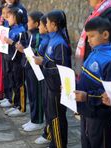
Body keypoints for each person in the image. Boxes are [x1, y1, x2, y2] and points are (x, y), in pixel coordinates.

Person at [75, 17, 111, 148]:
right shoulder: (92, 53)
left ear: (105, 35)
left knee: (99, 143)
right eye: (87, 36)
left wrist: (87, 97)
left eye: (92, 36)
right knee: (86, 141)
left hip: (100, 115)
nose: (88, 40)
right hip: (86, 111)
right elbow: (85, 79)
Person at [34, 10, 72, 148]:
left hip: (57, 88)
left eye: (48, 22)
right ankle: (54, 143)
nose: (45, 24)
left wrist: (43, 62)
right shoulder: (52, 39)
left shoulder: (59, 43)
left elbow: (62, 69)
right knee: (51, 116)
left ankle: (59, 144)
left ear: (54, 25)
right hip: (50, 85)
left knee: (57, 118)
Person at [15, 11, 45, 132]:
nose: (27, 23)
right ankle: (33, 118)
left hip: (35, 70)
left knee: (37, 95)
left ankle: (38, 121)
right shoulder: (31, 34)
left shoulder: (38, 35)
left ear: (37, 24)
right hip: (29, 68)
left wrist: (23, 50)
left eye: (29, 21)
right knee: (32, 94)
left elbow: (37, 52)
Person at [1, 7, 27, 117]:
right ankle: (15, 104)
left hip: (17, 61)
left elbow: (20, 47)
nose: (7, 17)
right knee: (13, 82)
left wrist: (10, 42)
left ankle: (21, 107)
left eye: (10, 15)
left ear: (16, 17)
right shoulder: (11, 29)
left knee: (19, 83)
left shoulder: (21, 31)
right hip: (10, 59)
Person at [34, 14, 52, 145]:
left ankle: (50, 135)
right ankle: (48, 132)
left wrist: (42, 61)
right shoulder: (46, 39)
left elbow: (53, 63)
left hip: (50, 80)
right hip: (44, 77)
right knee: (47, 107)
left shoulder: (51, 41)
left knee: (52, 111)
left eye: (41, 24)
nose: (39, 26)